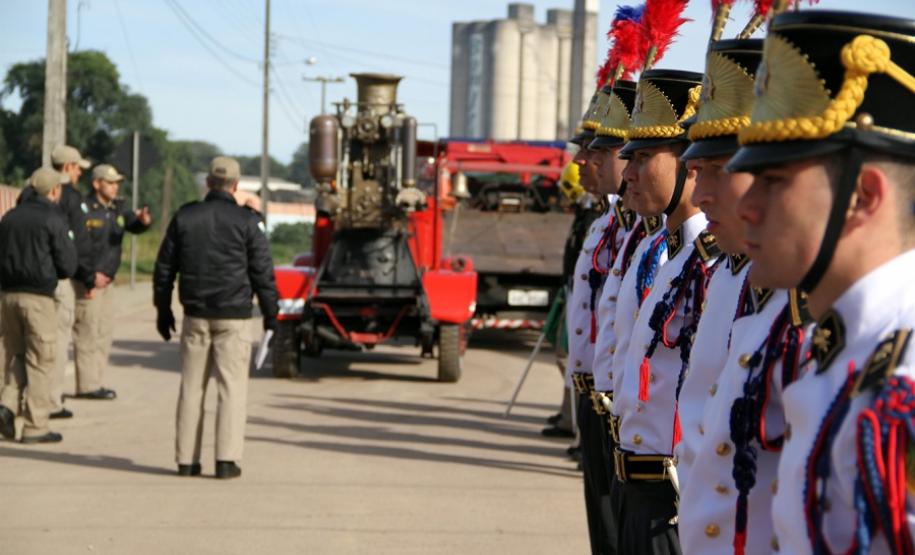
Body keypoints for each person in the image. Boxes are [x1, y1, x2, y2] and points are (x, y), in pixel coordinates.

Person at [725, 9, 915, 553]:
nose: (746, 207)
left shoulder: (904, 374)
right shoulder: (849, 343)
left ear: (863, 197)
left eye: (774, 180)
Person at [613, 67, 709, 555]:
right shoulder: (669, 256)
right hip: (635, 484)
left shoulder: (710, 265)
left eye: (644, 156)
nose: (627, 173)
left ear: (690, 164)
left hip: (671, 500)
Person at [153, 156, 278, 479]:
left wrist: (163, 309)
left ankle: (186, 461)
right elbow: (262, 272)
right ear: (236, 186)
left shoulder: (185, 216)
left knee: (191, 388)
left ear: (208, 183)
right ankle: (226, 460)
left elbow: (164, 268)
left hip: (195, 314)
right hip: (234, 316)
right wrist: (271, 314)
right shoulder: (247, 222)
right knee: (231, 388)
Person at [0, 168, 77, 443]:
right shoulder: (53, 218)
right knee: (42, 360)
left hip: (8, 297)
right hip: (38, 299)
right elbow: (68, 265)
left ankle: (6, 406)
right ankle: (35, 426)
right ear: (54, 191)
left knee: (18, 355)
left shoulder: (9, 217)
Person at [18, 144, 94, 419]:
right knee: (54, 341)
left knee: (23, 345)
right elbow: (76, 244)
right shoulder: (69, 196)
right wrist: (87, 276)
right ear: (68, 167)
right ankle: (50, 401)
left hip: (22, 277)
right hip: (55, 278)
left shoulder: (27, 194)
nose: (79, 174)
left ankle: (18, 400)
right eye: (77, 168)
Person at [71, 163, 151, 400]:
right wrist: (89, 277)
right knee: (87, 333)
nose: (115, 187)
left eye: (117, 183)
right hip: (89, 281)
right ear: (97, 184)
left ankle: (95, 381)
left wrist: (143, 221)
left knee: (103, 334)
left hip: (108, 281)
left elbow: (132, 224)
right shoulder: (84, 208)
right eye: (110, 182)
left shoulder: (118, 207)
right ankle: (86, 386)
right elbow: (79, 248)